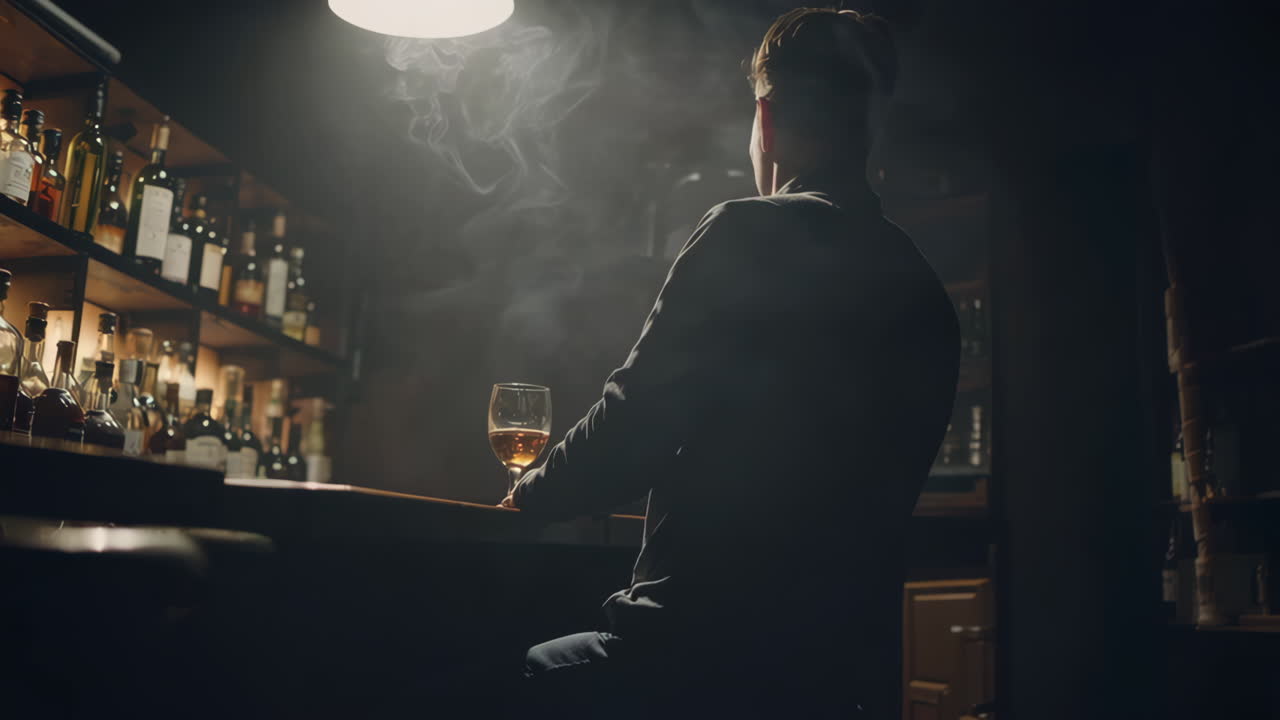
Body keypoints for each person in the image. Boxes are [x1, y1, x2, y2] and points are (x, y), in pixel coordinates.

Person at [504, 7, 959, 717]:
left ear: (766, 119)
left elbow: (633, 424)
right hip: (834, 679)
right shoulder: (925, 289)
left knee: (500, 669)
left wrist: (527, 495)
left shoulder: (748, 229)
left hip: (693, 658)